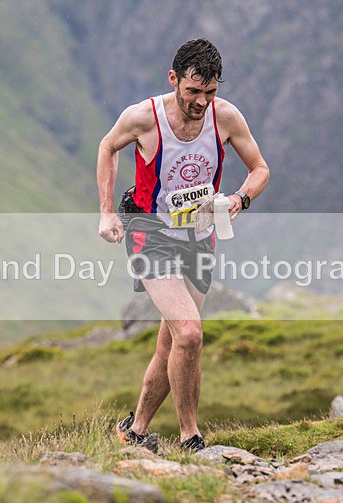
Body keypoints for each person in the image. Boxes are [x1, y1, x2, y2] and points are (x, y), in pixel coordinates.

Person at [96, 38, 269, 452]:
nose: (201, 102)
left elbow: (260, 169)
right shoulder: (143, 117)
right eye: (193, 91)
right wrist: (105, 211)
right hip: (148, 231)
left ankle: (134, 430)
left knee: (173, 341)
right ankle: (190, 436)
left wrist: (238, 201)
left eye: (210, 92)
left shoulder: (225, 117)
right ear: (173, 79)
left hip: (199, 234)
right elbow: (107, 147)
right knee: (189, 333)